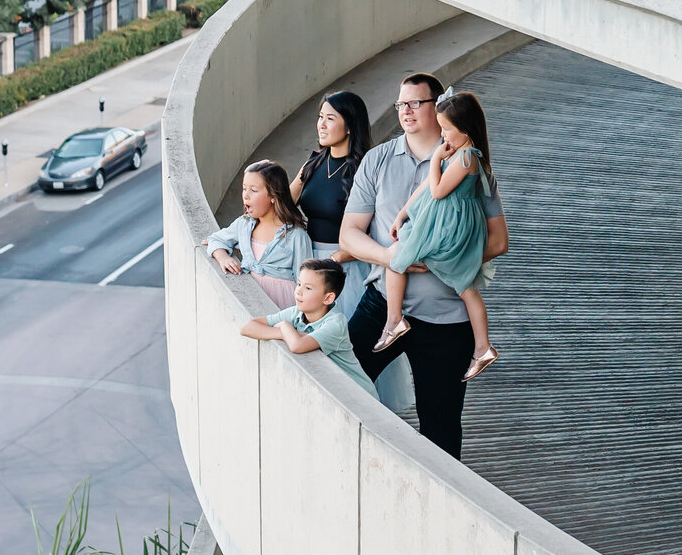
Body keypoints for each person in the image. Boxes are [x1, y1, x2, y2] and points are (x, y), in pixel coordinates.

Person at [340, 73, 509, 460]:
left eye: (416, 103)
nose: (407, 111)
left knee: (442, 430)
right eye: (401, 104)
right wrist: (392, 259)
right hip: (382, 304)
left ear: (440, 108)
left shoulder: (472, 166)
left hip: (447, 320)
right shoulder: (378, 159)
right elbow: (350, 234)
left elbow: (499, 242)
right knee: (337, 386)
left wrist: (444, 258)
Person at [377, 90, 498, 380]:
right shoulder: (456, 151)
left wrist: (433, 161)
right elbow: (424, 190)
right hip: (443, 220)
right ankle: (482, 348)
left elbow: (438, 189)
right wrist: (402, 213)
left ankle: (395, 321)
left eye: (447, 129)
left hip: (447, 227)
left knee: (395, 261)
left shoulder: (467, 157)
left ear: (466, 128)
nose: (443, 135)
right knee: (465, 286)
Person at [239, 258, 377, 399]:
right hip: (336, 392)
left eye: (308, 288)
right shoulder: (296, 312)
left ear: (328, 298)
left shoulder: (335, 324)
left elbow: (297, 345)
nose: (298, 291)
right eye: (299, 284)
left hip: (360, 396)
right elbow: (247, 327)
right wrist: (284, 333)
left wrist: (286, 326)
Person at [290, 91, 372, 322]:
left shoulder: (365, 169)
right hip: (309, 264)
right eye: (320, 117)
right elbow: (284, 204)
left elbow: (376, 229)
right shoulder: (314, 162)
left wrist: (336, 259)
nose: (321, 124)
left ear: (350, 126)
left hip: (347, 267)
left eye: (330, 118)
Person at [205, 159, 313, 307]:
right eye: (244, 188)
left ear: (273, 196)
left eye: (254, 190)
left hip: (283, 308)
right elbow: (216, 239)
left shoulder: (296, 235)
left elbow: (307, 281)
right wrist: (222, 257)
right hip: (251, 303)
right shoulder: (244, 224)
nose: (246, 195)